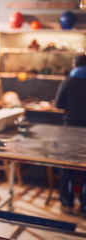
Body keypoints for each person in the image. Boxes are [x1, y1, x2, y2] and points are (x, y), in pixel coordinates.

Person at [55, 54, 86, 215]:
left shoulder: (68, 81)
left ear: (74, 65)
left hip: (70, 128)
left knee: (67, 166)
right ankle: (85, 206)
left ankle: (67, 203)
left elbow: (59, 104)